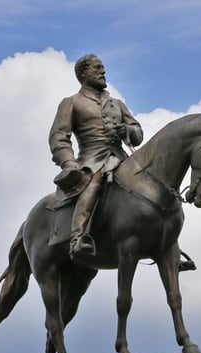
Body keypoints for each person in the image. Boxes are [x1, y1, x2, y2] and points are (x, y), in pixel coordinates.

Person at [49, 54, 142, 259]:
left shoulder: (116, 103)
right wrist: (69, 163)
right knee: (94, 184)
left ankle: (169, 245)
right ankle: (78, 238)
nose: (103, 71)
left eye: (103, 68)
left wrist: (127, 129)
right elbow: (58, 137)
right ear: (83, 73)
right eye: (97, 68)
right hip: (92, 161)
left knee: (153, 186)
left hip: (122, 159)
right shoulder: (71, 102)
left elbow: (137, 133)